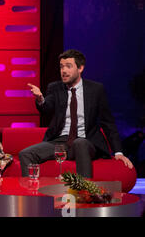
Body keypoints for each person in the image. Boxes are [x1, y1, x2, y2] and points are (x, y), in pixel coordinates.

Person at [20, 49, 133, 178]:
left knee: (80, 143)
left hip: (86, 141)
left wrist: (118, 152)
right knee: (25, 154)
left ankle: (85, 192)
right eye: (61, 67)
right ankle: (32, 192)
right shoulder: (55, 87)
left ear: (80, 68)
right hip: (60, 142)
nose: (64, 71)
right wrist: (40, 99)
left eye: (68, 66)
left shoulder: (96, 89)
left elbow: (107, 122)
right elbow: (47, 107)